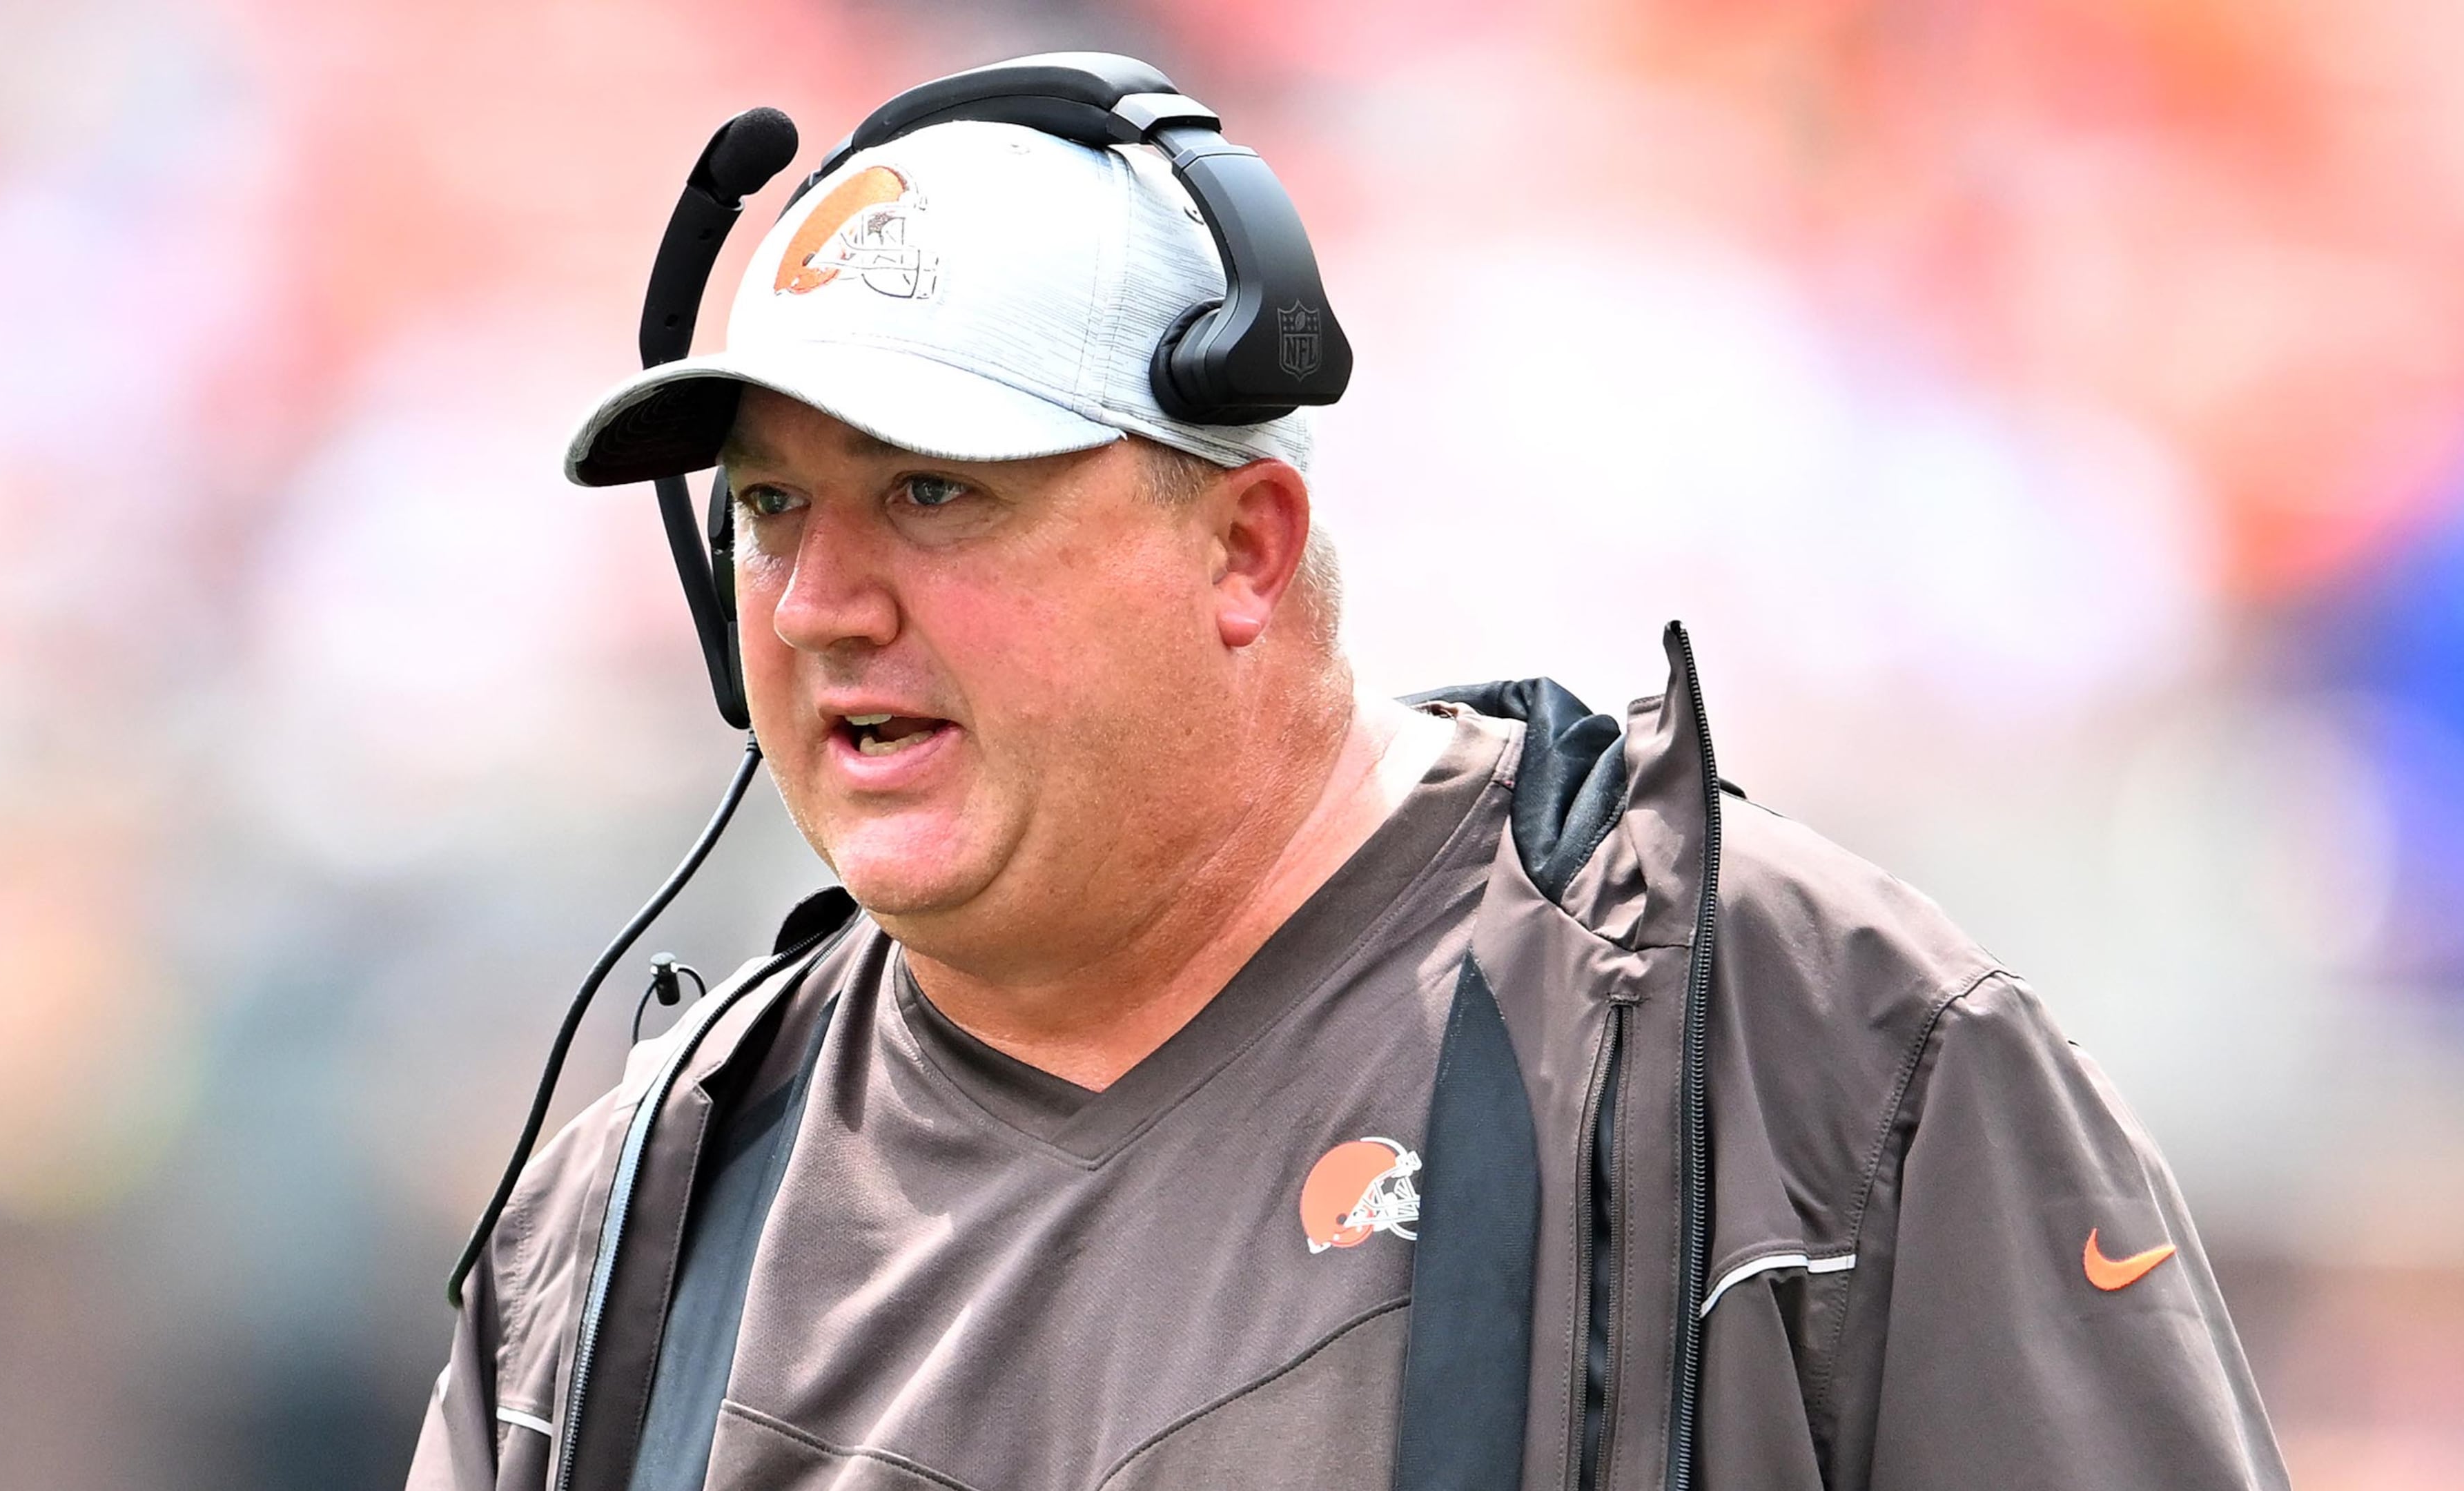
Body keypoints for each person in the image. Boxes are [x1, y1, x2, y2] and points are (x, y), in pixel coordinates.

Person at [407, 68, 2289, 1491]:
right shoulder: (634, 1221)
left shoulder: (1790, 1042)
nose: (818, 604)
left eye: (932, 494)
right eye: (765, 511)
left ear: (1245, 549)